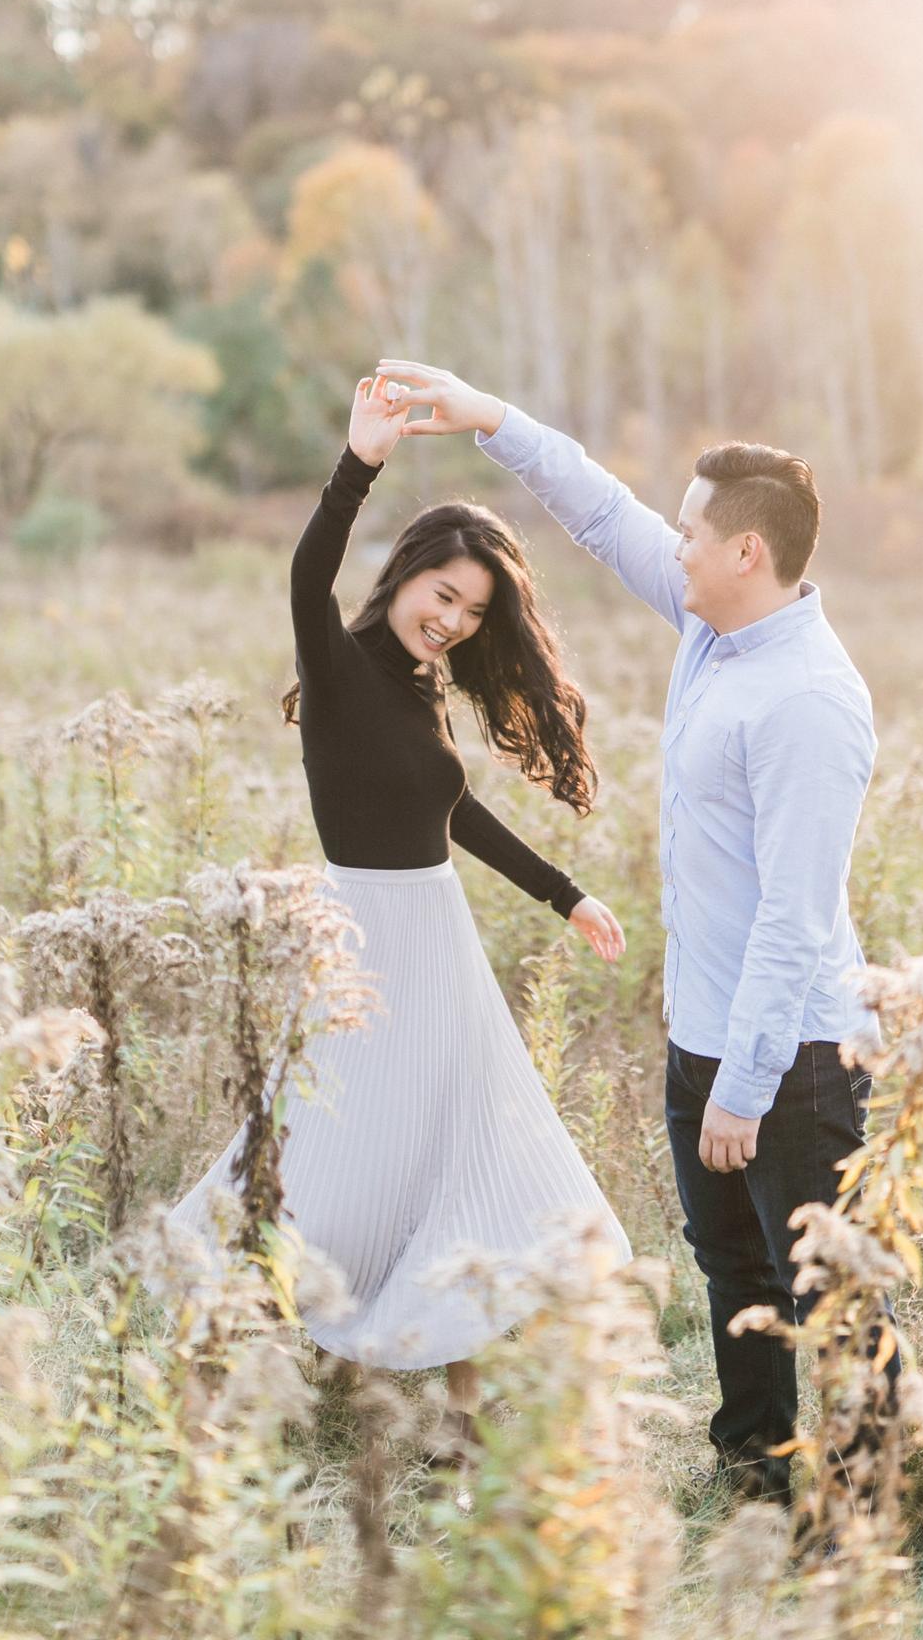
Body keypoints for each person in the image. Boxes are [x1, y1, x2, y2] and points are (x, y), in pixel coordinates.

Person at [373, 358, 898, 1504]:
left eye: (693, 530)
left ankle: (863, 1510)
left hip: (792, 1055)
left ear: (745, 554)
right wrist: (488, 418)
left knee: (833, 1294)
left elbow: (795, 919)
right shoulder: (716, 630)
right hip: (709, 1028)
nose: (676, 544)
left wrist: (743, 1085)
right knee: (734, 1265)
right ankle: (755, 1467)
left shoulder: (805, 700)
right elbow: (603, 513)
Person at [169, 374, 631, 1441]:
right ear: (409, 572)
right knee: (333, 1146)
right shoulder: (335, 668)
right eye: (443, 595)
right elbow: (304, 573)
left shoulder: (427, 688)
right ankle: (258, 1323)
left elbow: (449, 810)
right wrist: (358, 462)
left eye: (472, 613)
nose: (452, 621)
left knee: (462, 1141)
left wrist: (565, 895)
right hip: (362, 947)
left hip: (440, 947)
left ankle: (433, 1331)